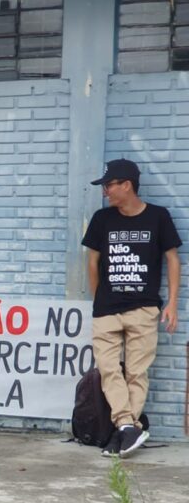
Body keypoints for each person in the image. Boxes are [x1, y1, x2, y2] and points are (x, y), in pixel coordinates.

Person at [82, 158, 181, 458]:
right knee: (109, 369)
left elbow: (173, 259)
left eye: (109, 185)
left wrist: (173, 303)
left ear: (127, 185)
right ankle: (127, 426)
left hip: (144, 308)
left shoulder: (158, 217)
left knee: (137, 373)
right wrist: (100, 298)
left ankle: (124, 430)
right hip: (107, 309)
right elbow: (92, 262)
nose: (106, 192)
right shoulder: (102, 220)